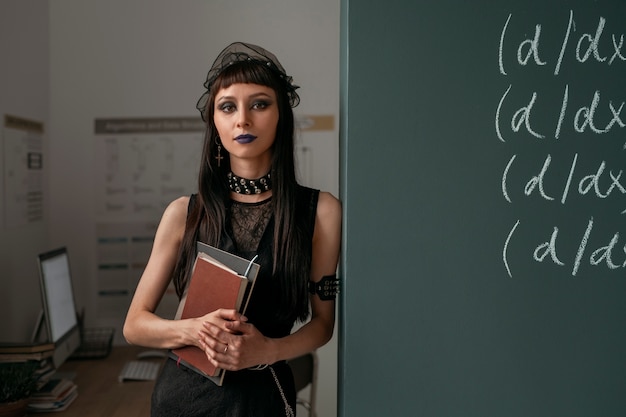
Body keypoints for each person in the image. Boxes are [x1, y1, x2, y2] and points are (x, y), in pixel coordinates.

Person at [123, 42, 342, 417]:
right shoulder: (183, 213)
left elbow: (323, 325)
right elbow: (135, 325)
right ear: (215, 122)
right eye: (228, 106)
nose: (243, 119)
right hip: (181, 400)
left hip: (262, 401)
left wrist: (269, 350)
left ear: (281, 117)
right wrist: (194, 330)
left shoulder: (320, 211)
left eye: (259, 104)